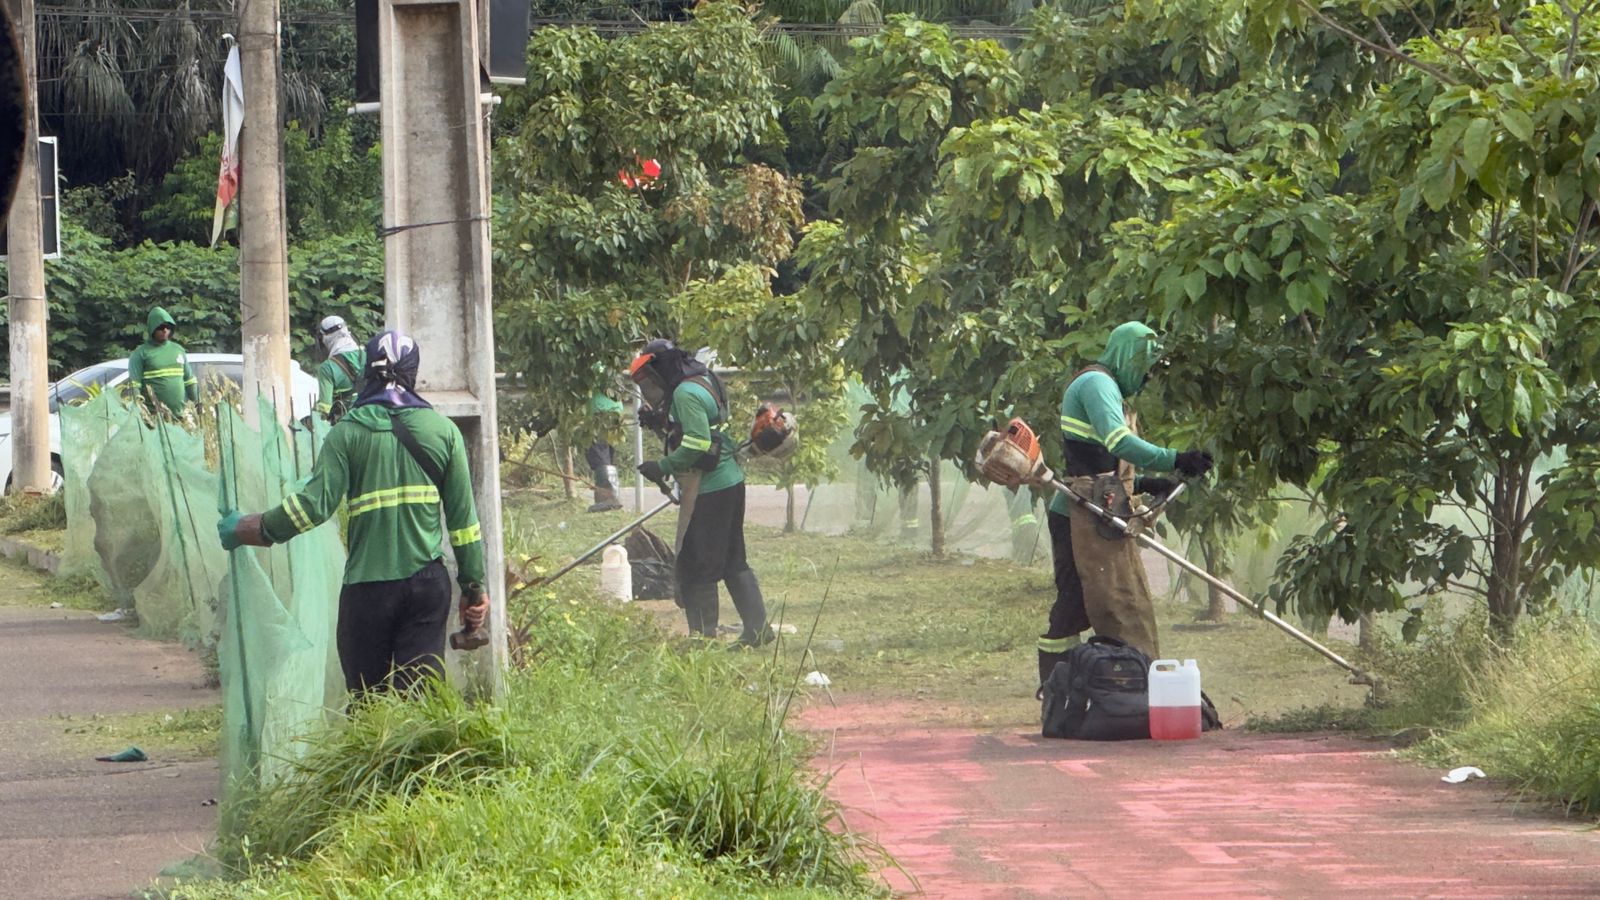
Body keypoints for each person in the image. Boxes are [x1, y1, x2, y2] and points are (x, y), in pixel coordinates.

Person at [217, 330, 490, 694]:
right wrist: (474, 588)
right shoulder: (443, 433)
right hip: (426, 587)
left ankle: (375, 753)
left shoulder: (347, 434)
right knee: (420, 701)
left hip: (367, 591)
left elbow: (311, 507)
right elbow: (464, 525)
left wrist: (250, 528)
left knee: (367, 702)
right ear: (413, 373)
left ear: (367, 371)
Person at [1037, 321, 1213, 685]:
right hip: (1075, 514)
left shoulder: (1113, 391)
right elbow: (1118, 443)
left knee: (1115, 600)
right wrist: (1176, 458)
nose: (1146, 379)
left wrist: (1148, 482)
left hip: (1099, 507)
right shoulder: (1097, 385)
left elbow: (1101, 461)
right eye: (1145, 369)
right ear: (1128, 356)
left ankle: (1114, 683)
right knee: (1075, 603)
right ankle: (1056, 691)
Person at [629, 339, 771, 646]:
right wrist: (661, 424)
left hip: (711, 488)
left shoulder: (684, 393)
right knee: (733, 561)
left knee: (696, 565)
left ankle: (702, 640)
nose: (649, 389)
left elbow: (696, 443)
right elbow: (701, 428)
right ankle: (758, 631)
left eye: (648, 380)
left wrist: (662, 465)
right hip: (729, 481)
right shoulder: (702, 378)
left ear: (660, 370)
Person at [126, 306, 197, 417]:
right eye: (161, 327)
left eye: (168, 327)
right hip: (154, 418)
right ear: (152, 328)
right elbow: (134, 386)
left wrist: (197, 402)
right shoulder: (140, 353)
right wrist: (139, 412)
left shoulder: (178, 350)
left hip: (181, 417)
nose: (165, 330)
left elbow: (189, 380)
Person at [313, 315, 366, 423]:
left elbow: (325, 408)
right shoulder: (366, 356)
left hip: (346, 423)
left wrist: (311, 420)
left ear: (327, 337)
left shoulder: (327, 368)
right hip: (369, 416)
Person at [585, 391, 624, 513]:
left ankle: (607, 499)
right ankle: (611, 497)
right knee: (606, 454)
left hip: (599, 410)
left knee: (598, 454)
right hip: (615, 409)